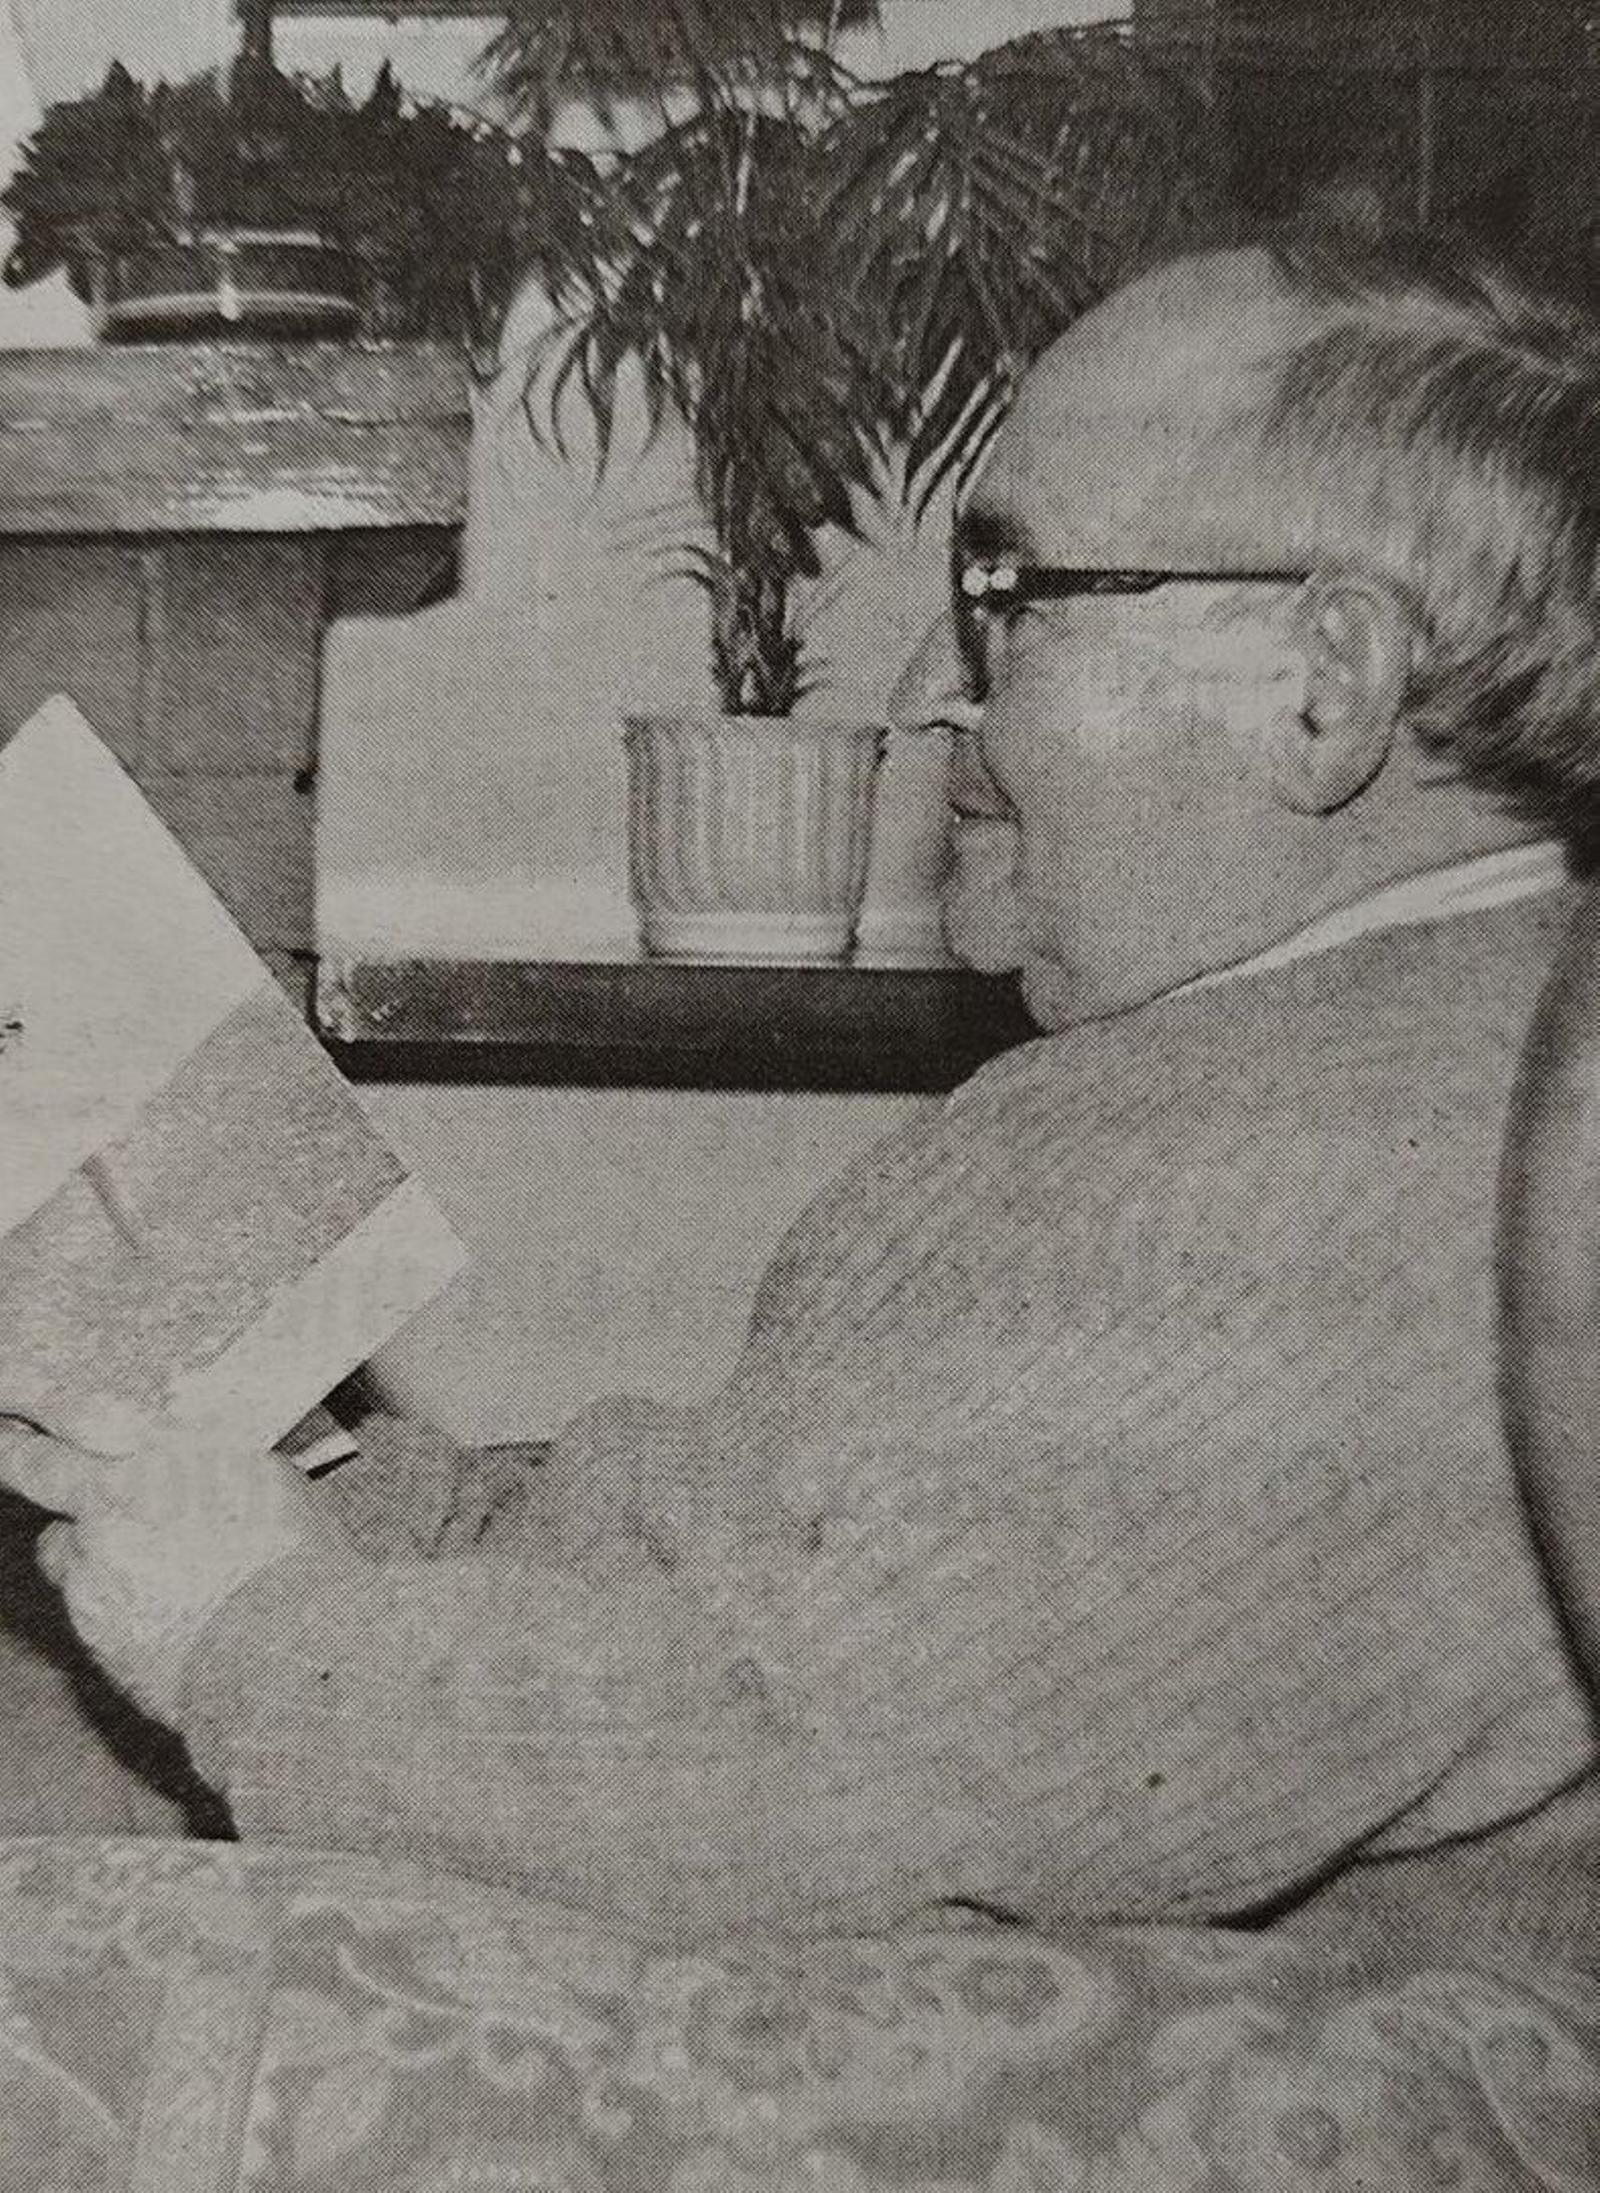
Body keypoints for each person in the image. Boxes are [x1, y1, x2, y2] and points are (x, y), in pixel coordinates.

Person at [3, 233, 1599, 1948]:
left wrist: (242, 1629)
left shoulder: (1368, 1187)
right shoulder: (1295, 1061)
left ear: (1324, 687)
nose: (926, 694)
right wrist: (265, 1465)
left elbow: (797, 1786)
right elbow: (730, 1568)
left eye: (1006, 600)